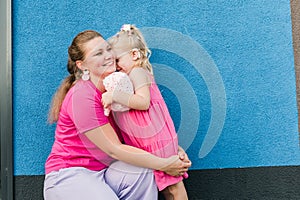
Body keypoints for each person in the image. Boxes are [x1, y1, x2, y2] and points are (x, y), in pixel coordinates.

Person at [43, 30, 191, 200]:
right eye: (98, 53)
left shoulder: (116, 87)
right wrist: (165, 164)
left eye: (108, 49)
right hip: (70, 175)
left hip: (104, 172)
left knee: (143, 170)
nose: (108, 56)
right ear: (82, 65)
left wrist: (171, 151)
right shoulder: (82, 96)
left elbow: (138, 131)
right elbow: (114, 149)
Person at [102, 24, 189, 200]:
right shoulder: (127, 77)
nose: (116, 66)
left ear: (134, 55)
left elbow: (143, 102)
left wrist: (114, 95)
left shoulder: (138, 72)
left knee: (173, 187)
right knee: (167, 188)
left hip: (156, 142)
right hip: (149, 143)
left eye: (118, 60)